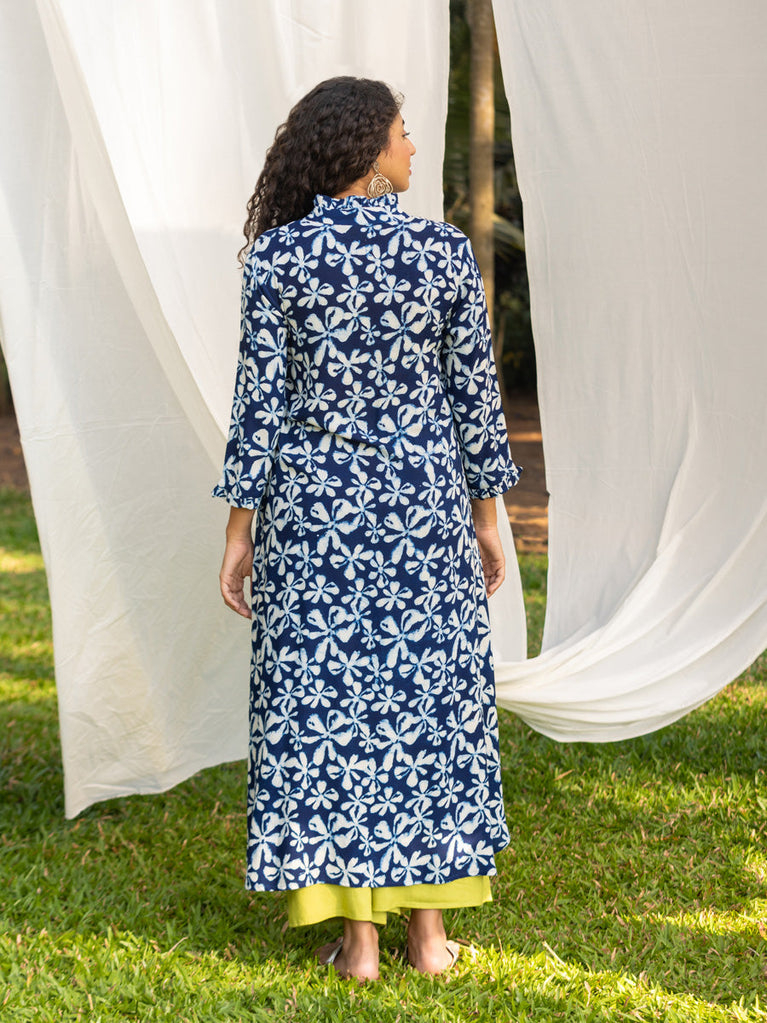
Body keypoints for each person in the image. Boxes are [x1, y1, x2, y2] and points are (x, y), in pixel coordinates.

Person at [214, 76, 521, 981]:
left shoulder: (278, 259)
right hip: (423, 509)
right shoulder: (441, 253)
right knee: (427, 706)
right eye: (401, 132)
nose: (412, 146)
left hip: (314, 517)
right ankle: (428, 936)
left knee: (326, 709)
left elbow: (258, 407)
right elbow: (474, 400)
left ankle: (358, 946)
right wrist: (486, 519)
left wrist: (238, 532)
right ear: (366, 147)